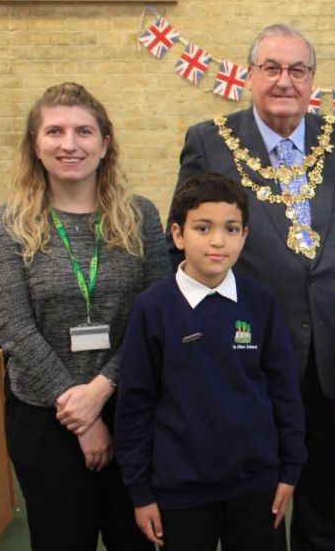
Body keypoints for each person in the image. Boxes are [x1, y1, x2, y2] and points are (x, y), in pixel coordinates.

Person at [167, 23, 335, 550]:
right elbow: (181, 248)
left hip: (331, 350)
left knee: (324, 493)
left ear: (312, 80)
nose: (284, 81)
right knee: (258, 502)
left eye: (297, 70)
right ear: (249, 75)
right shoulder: (210, 140)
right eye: (271, 68)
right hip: (247, 350)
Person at [0, 82, 170, 551]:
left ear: (105, 144)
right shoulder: (8, 223)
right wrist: (82, 415)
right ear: (35, 145)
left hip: (132, 409)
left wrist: (102, 389)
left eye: (84, 131)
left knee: (138, 541)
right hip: (44, 419)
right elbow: (13, 326)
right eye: (55, 131)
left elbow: (157, 317)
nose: (70, 144)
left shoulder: (140, 217)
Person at [115, 173, 307, 551]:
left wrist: (290, 468)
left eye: (231, 229)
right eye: (203, 228)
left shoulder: (260, 302)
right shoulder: (152, 308)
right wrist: (139, 491)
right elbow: (134, 405)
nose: (218, 241)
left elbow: (284, 392)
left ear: (244, 236)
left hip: (256, 484)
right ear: (178, 234)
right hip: (180, 489)